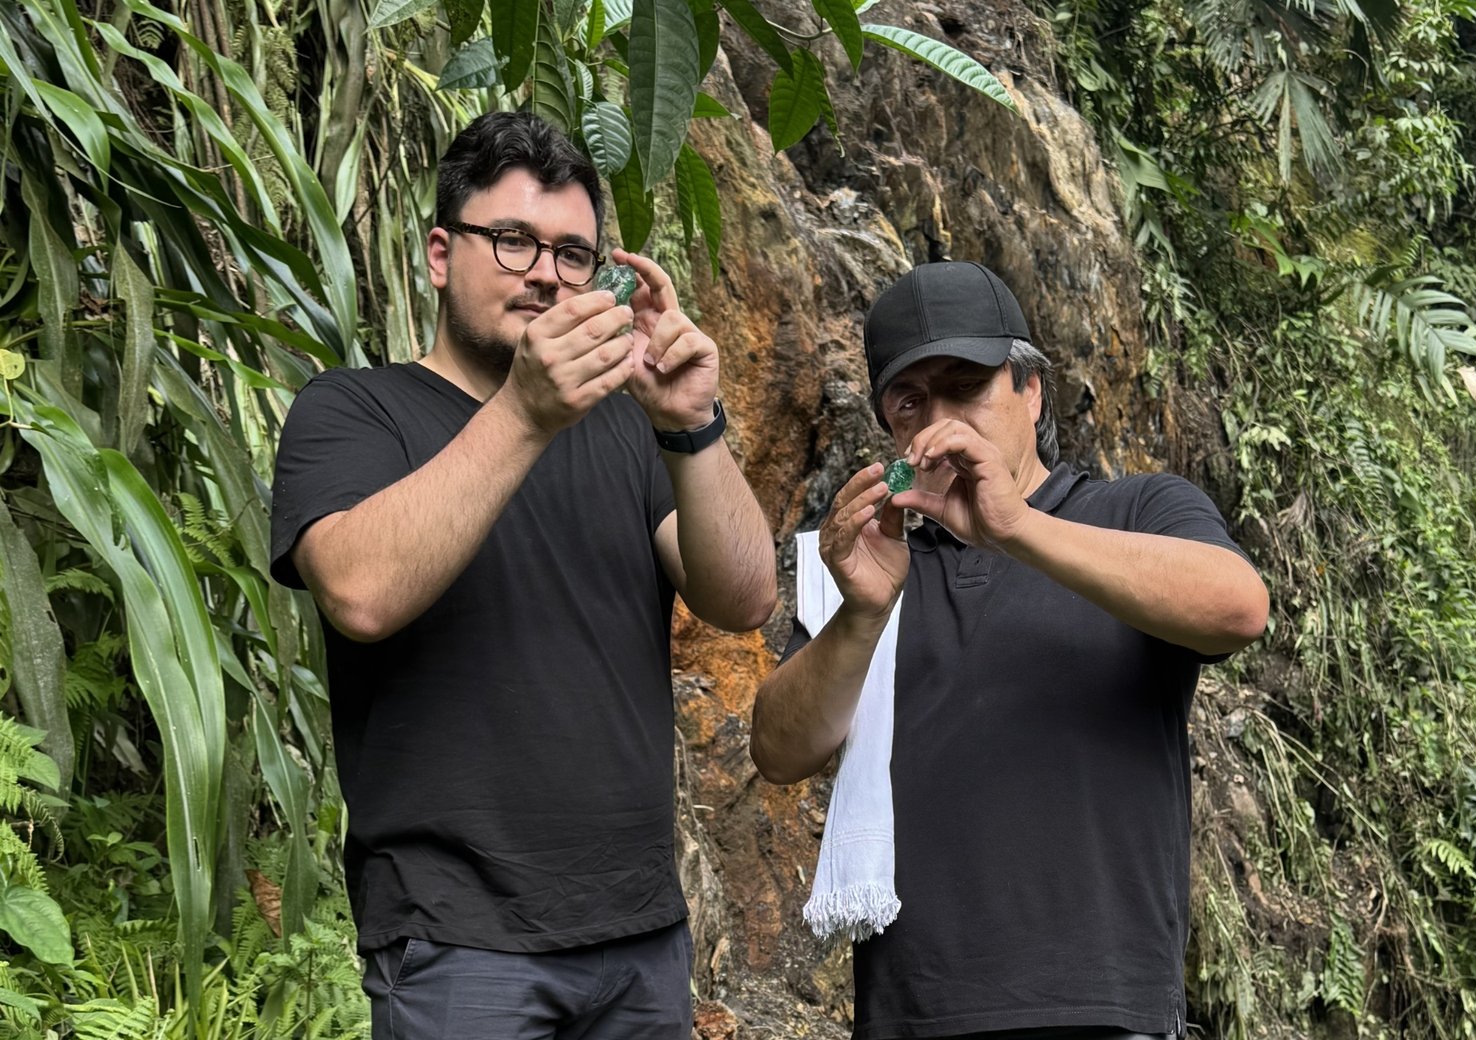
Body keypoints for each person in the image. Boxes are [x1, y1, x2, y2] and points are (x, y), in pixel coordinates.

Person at [270, 111, 776, 1040]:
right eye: (512, 242)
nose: (546, 273)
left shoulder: (627, 431)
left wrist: (690, 423)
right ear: (437, 254)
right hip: (456, 941)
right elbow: (359, 593)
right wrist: (527, 413)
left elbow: (742, 597)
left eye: (573, 254)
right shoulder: (352, 411)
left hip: (641, 939)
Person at [750, 261, 1269, 1039]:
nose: (940, 420)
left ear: (1031, 391)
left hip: (1100, 1009)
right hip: (913, 1016)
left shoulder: (1134, 510)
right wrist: (859, 615)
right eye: (910, 401)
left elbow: (1237, 606)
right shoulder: (873, 566)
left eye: (967, 386)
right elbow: (779, 750)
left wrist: (1016, 528)